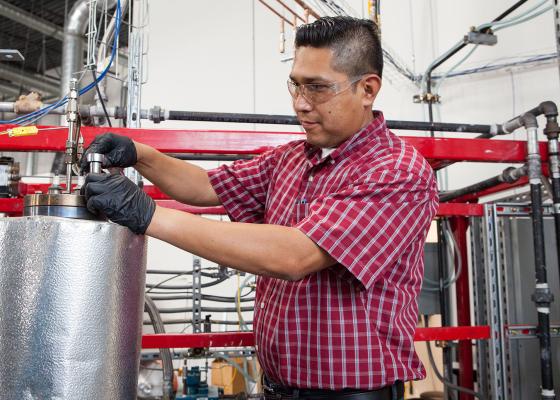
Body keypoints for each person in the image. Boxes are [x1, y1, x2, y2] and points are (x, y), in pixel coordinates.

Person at [82, 16, 438, 400]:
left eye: (317, 88)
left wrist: (146, 214)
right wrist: (140, 154)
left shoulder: (397, 172)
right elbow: (203, 186)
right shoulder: (290, 159)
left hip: (351, 393)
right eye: (296, 85)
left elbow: (295, 254)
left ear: (367, 89)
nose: (301, 104)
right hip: (277, 388)